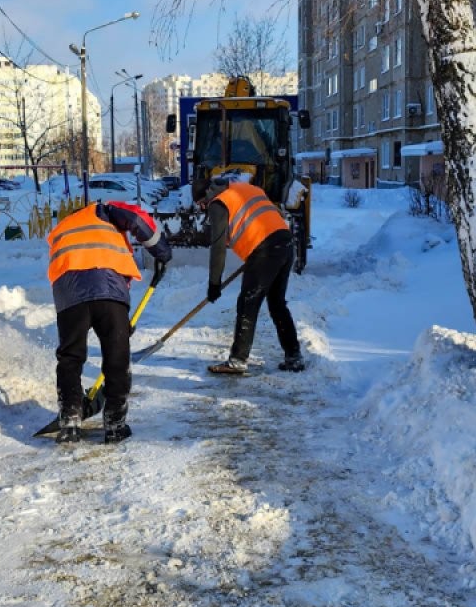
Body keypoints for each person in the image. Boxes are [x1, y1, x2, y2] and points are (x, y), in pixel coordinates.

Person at [47, 200, 172, 443]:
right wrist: (162, 252)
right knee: (117, 356)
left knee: (70, 357)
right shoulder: (103, 211)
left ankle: (70, 419)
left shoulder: (62, 227)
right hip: (107, 288)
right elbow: (136, 219)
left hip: (68, 295)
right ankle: (115, 424)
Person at [201, 176, 304, 375]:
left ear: (206, 197)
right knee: (277, 303)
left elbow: (218, 248)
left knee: (248, 303)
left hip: (265, 251)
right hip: (285, 242)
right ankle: (294, 357)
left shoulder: (218, 203)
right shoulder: (247, 188)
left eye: (202, 205)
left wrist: (214, 283)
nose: (204, 209)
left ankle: (238, 360)